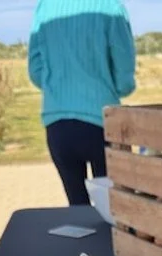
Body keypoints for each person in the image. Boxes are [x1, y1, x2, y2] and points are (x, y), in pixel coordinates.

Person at [28, 0, 136, 205]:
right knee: (113, 207)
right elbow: (124, 78)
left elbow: (35, 71)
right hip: (102, 122)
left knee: (77, 206)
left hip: (57, 122)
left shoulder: (45, 7)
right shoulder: (111, 6)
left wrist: (59, 88)